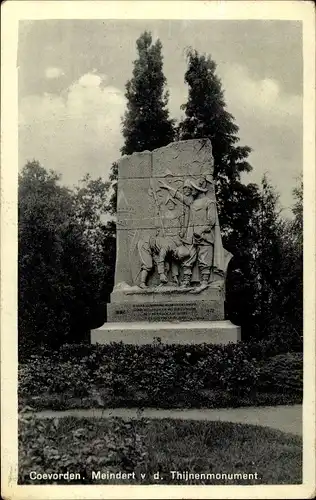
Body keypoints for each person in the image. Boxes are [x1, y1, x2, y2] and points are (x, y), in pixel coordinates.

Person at [159, 176, 217, 289]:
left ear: (199, 189)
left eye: (193, 188)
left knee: (204, 258)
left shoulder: (209, 202)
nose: (191, 190)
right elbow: (179, 196)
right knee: (187, 258)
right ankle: (186, 280)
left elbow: (212, 221)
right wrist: (167, 186)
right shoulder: (192, 202)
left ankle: (204, 282)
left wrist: (201, 231)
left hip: (204, 237)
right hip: (191, 237)